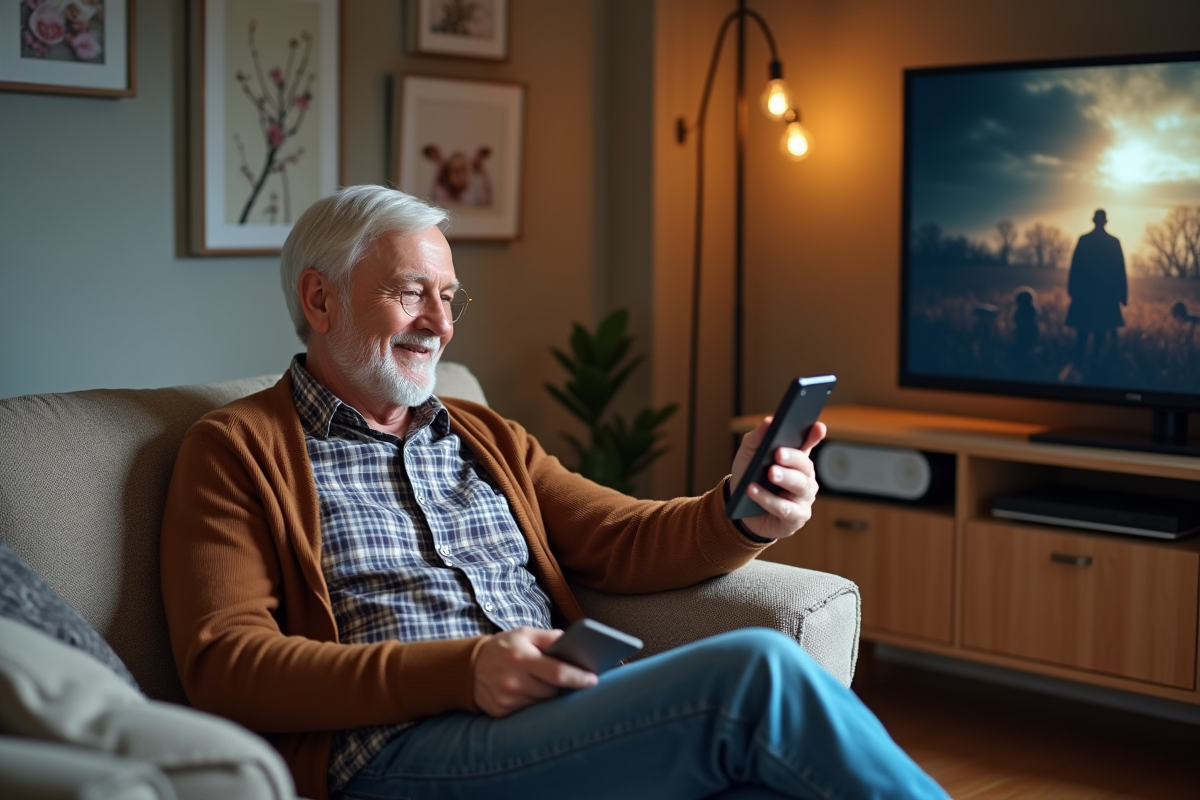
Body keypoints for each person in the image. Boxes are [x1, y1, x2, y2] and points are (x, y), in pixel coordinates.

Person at [160, 185, 948, 800]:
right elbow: (226, 665)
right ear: (320, 299)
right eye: (411, 292)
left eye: (450, 297)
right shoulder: (236, 451)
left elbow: (623, 537)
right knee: (759, 672)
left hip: (556, 719)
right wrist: (460, 669)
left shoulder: (480, 435)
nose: (440, 323)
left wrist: (741, 508)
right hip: (395, 749)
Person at [1065, 209, 1127, 363]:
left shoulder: (1084, 240)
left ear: (1093, 220)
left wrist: (1072, 289)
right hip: (1106, 295)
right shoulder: (1114, 242)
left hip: (1085, 294)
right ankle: (1095, 363)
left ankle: (1079, 362)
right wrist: (1123, 295)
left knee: (1083, 331)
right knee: (1101, 331)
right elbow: (1120, 270)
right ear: (1106, 221)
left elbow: (1075, 267)